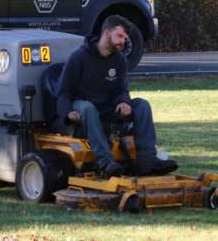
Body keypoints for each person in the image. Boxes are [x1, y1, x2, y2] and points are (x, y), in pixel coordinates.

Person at [53, 15, 178, 178]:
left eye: (125, 38)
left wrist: (123, 101)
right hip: (81, 105)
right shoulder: (79, 57)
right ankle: (105, 161)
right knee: (87, 107)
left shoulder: (120, 60)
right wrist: (68, 112)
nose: (123, 41)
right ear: (106, 33)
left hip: (106, 107)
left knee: (142, 105)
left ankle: (147, 159)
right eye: (119, 36)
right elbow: (62, 92)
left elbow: (120, 89)